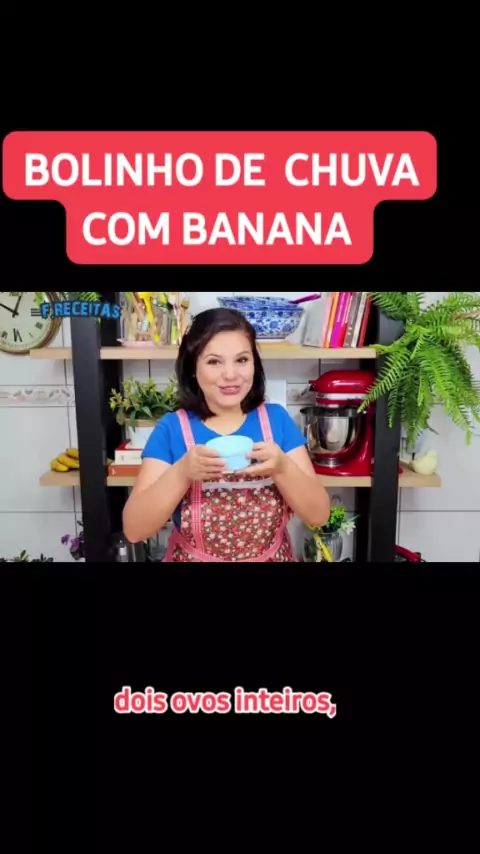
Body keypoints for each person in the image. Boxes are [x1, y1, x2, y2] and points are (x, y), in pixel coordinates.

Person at [123, 307, 330, 562]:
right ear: (192, 368)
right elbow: (134, 530)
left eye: (242, 360)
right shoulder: (171, 429)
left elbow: (319, 516)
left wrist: (283, 468)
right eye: (214, 361)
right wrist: (182, 472)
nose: (231, 375)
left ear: (254, 364)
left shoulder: (277, 421)